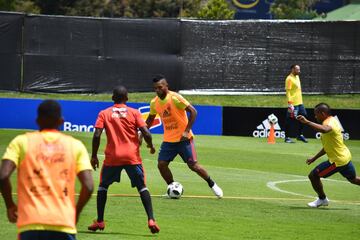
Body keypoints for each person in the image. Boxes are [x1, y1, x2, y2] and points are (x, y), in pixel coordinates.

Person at [0, 100, 94, 240]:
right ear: (61, 121)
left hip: (30, 223)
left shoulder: (21, 142)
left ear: (37, 120)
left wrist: (10, 206)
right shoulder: (75, 146)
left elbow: (3, 176)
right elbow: (88, 186)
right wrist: (76, 212)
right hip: (63, 223)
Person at [88, 86, 160, 234]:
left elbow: (96, 135)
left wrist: (94, 156)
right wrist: (150, 145)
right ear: (127, 98)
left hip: (113, 157)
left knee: (103, 187)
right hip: (132, 157)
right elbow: (146, 132)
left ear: (113, 98)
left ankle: (100, 221)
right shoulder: (134, 113)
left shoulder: (104, 113)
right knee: (142, 187)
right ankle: (151, 219)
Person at [145, 74, 223, 198]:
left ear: (166, 86)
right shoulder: (154, 103)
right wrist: (141, 131)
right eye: (155, 88)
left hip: (184, 139)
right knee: (161, 164)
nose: (157, 90)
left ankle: (212, 184)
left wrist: (186, 131)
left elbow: (193, 112)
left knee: (193, 166)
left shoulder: (175, 98)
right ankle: (172, 186)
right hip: (169, 141)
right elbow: (150, 119)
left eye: (160, 87)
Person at [297, 103, 360, 208]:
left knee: (313, 176)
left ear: (323, 113)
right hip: (345, 157)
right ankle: (322, 199)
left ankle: (322, 199)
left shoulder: (329, 122)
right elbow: (327, 146)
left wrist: (307, 122)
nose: (315, 116)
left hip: (337, 161)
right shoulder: (332, 121)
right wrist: (314, 158)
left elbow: (325, 129)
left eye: (316, 114)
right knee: (353, 179)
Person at [284, 64, 308, 143]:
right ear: (293, 70)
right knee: (290, 120)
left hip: (300, 102)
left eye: (299, 69)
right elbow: (288, 92)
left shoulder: (297, 77)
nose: (299, 71)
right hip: (293, 103)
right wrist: (290, 103)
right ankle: (287, 137)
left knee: (304, 116)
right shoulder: (289, 79)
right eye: (297, 70)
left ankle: (299, 135)